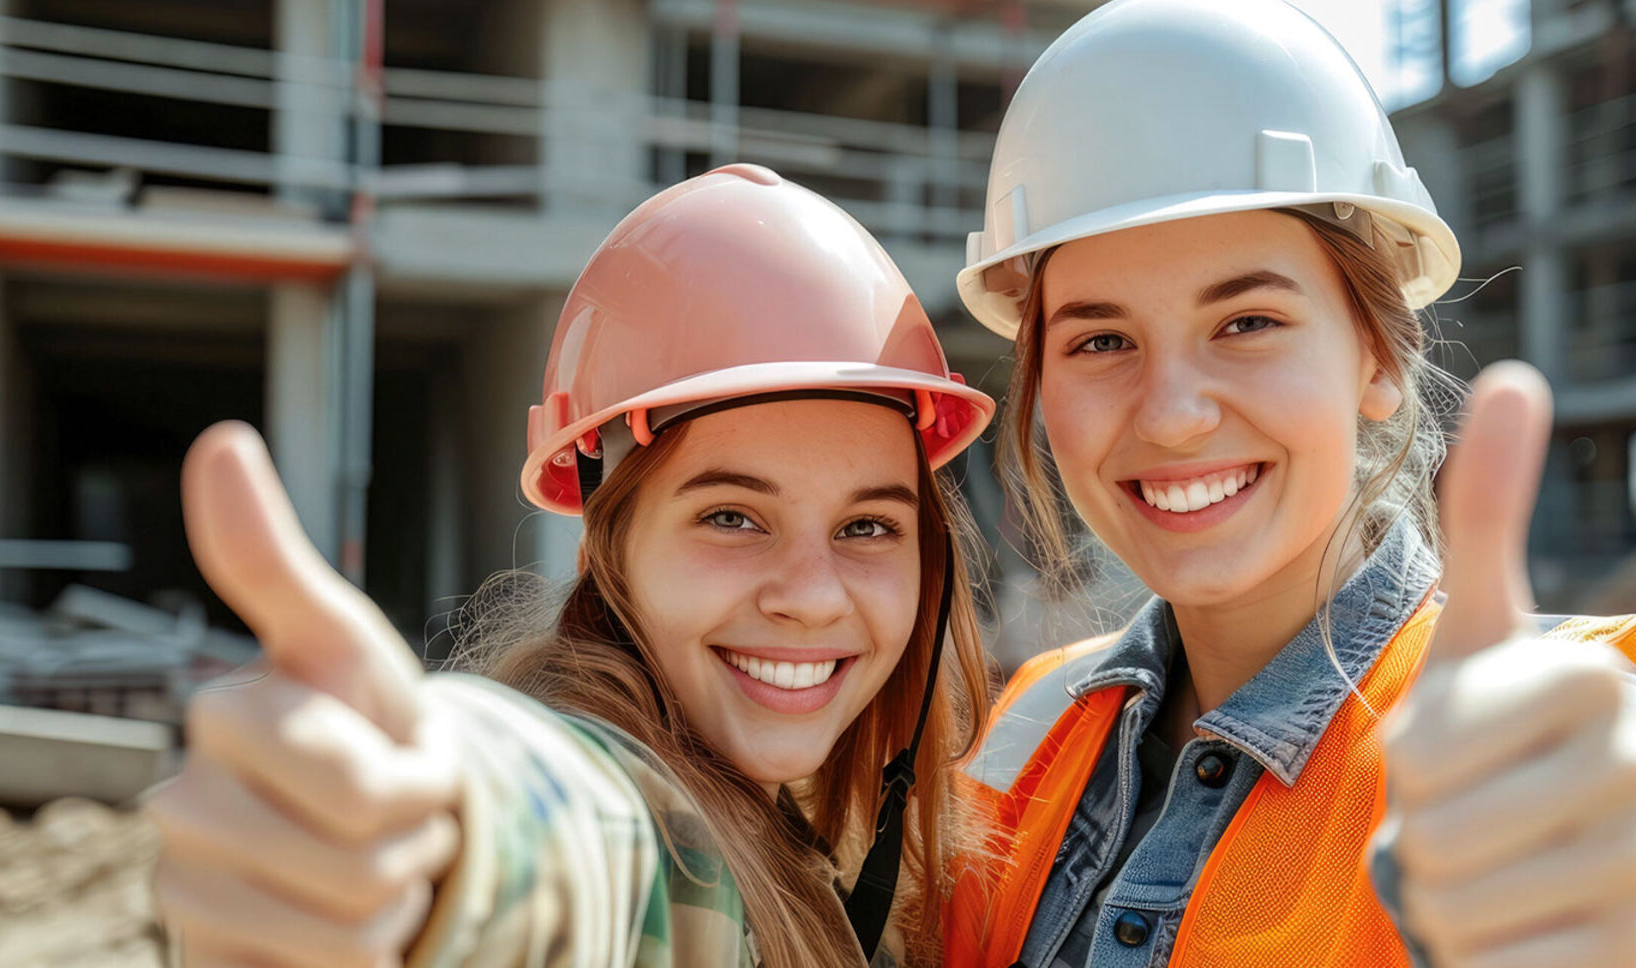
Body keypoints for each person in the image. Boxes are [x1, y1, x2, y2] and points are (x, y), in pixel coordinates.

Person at [942, 0, 1636, 968]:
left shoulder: (1533, 727)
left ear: (1380, 357)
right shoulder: (1030, 723)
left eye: (1247, 323)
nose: (1172, 413)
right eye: (1101, 340)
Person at [144, 164, 1003, 968]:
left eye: (867, 527)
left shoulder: (811, 837)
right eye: (732, 518)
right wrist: (444, 843)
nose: (812, 597)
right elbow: (574, 834)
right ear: (604, 550)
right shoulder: (664, 840)